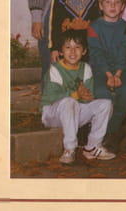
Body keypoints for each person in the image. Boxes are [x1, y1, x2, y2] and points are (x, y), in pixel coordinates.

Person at [40, 29, 115, 164]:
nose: (73, 52)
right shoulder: (55, 69)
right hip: (52, 113)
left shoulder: (86, 68)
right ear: (61, 51)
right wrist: (76, 95)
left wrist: (85, 96)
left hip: (74, 112)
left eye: (77, 47)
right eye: (68, 47)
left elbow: (87, 96)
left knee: (105, 104)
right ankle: (69, 149)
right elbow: (52, 97)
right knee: (69, 101)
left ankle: (92, 146)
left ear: (84, 51)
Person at [87, 0, 126, 153]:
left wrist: (118, 74)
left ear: (122, 6)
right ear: (101, 6)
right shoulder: (94, 27)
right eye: (108, 2)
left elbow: (124, 52)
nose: (112, 6)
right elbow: (96, 53)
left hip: (122, 69)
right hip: (100, 70)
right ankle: (101, 132)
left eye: (117, 2)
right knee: (103, 93)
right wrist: (108, 75)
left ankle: (113, 131)